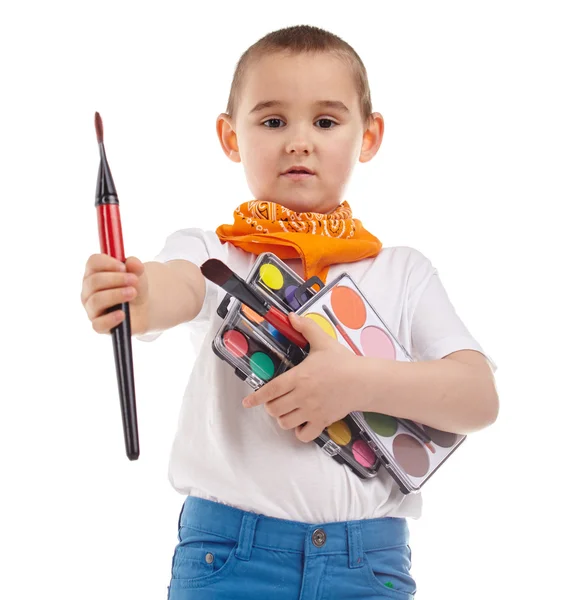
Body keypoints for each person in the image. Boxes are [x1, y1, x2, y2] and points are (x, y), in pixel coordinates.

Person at [81, 24, 498, 600]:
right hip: (228, 557)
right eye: (272, 121)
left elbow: (479, 398)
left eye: (325, 122)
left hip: (367, 564)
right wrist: (135, 294)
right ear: (230, 136)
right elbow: (171, 289)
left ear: (369, 136)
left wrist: (354, 380)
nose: (299, 141)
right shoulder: (214, 252)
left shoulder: (403, 272)